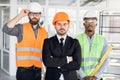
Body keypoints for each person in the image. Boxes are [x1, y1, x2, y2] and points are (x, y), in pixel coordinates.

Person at [2, 2, 47, 80]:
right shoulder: (21, 28)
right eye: (32, 14)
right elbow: (6, 29)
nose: (35, 16)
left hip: (38, 70)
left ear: (40, 15)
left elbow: (45, 52)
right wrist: (20, 15)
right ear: (28, 14)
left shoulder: (44, 32)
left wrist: (46, 69)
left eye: (37, 14)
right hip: (23, 71)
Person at [42, 12, 82, 80]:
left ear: (68, 25)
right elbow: (47, 62)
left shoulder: (75, 43)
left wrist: (56, 63)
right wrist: (67, 59)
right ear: (54, 25)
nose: (62, 27)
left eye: (64, 24)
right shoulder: (48, 42)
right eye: (59, 24)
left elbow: (77, 64)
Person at [76, 11, 109, 80]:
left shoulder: (102, 40)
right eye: (87, 21)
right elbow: (73, 61)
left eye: (92, 21)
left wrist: (97, 76)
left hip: (97, 78)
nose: (90, 24)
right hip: (81, 78)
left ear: (96, 24)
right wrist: (83, 76)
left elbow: (105, 60)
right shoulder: (76, 40)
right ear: (83, 23)